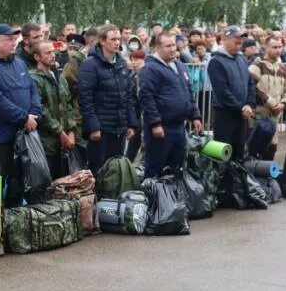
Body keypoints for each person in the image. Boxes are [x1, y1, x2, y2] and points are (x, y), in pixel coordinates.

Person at [0, 24, 41, 208]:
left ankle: (16, 221)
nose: (14, 43)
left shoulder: (19, 63)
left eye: (14, 39)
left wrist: (34, 115)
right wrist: (23, 118)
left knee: (19, 182)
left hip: (24, 135)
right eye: (9, 39)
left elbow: (32, 90)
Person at [77, 24, 138, 173]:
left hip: (119, 128)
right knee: (98, 170)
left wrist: (131, 124)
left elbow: (128, 96)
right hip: (101, 129)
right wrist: (93, 127)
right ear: (102, 41)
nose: (117, 42)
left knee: (115, 170)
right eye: (113, 39)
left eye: (118, 39)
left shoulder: (122, 64)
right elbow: (85, 99)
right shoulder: (90, 65)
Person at [139, 33, 201, 178]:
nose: (173, 49)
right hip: (162, 128)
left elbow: (188, 92)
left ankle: (172, 199)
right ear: (157, 48)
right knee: (156, 168)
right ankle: (154, 198)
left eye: (174, 45)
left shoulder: (179, 65)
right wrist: (155, 124)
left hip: (179, 126)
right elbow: (147, 98)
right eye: (168, 46)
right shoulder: (150, 69)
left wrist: (195, 114)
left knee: (176, 168)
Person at [30, 40, 80, 179]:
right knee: (47, 182)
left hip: (63, 143)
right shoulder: (34, 79)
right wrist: (60, 132)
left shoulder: (60, 77)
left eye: (53, 52)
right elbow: (41, 110)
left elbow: (68, 105)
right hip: (46, 142)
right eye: (48, 53)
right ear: (37, 57)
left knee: (65, 182)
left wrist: (71, 130)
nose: (53, 55)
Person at [207, 26, 254, 162]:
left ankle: (236, 182)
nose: (240, 43)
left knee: (239, 152)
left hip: (242, 114)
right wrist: (240, 108)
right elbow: (222, 91)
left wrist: (249, 104)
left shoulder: (242, 59)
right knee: (221, 154)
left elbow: (250, 83)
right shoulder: (216, 62)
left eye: (241, 40)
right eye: (236, 40)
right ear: (224, 40)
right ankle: (220, 182)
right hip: (225, 114)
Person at [249, 35, 286, 158]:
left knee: (271, 149)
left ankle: (267, 176)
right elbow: (251, 87)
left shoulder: (283, 69)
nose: (278, 50)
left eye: (280, 47)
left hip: (274, 117)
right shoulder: (257, 65)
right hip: (257, 116)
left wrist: (284, 103)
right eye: (274, 47)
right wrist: (270, 101)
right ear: (266, 47)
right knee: (254, 150)